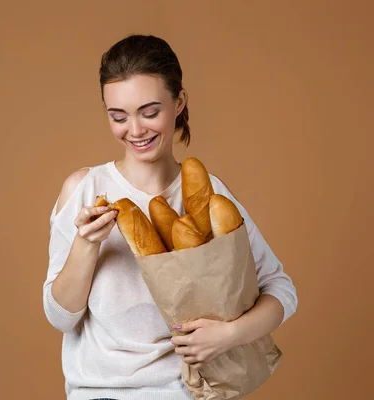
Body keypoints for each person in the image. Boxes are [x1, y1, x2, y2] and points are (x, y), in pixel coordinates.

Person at [42, 34, 298, 400]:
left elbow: (281, 288)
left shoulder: (209, 193)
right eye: (118, 116)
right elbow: (60, 318)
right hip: (98, 393)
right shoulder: (85, 189)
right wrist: (85, 244)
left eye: (150, 112)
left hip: (187, 392)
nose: (135, 130)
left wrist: (228, 336)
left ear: (178, 102)